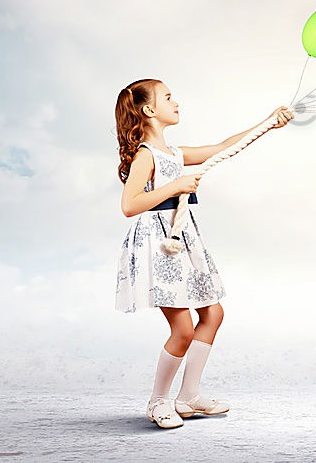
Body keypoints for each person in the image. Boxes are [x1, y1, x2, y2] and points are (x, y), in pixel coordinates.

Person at [113, 78, 293, 429]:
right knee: (182, 329)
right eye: (168, 97)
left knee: (212, 314)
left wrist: (268, 123)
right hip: (160, 243)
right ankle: (158, 401)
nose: (176, 102)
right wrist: (175, 185)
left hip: (182, 240)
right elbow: (129, 205)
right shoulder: (146, 156)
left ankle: (188, 396)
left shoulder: (173, 153)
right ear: (150, 110)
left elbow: (223, 147)